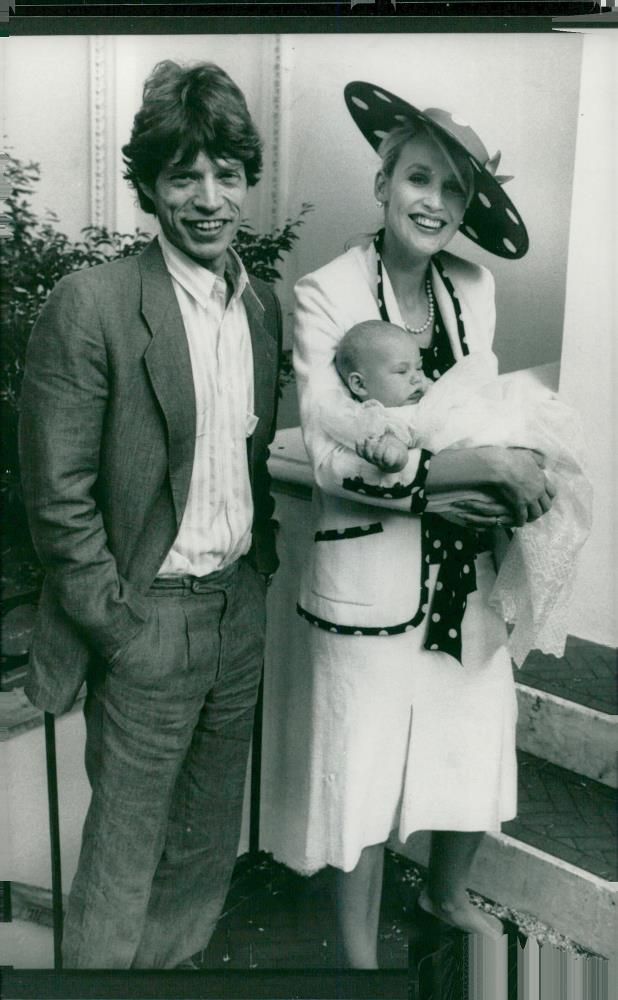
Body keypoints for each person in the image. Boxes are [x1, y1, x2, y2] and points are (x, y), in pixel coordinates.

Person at [283, 81, 556, 967]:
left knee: (473, 731)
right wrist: (467, 475)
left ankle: (443, 896)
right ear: (384, 181)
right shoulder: (325, 293)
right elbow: (332, 459)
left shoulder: (473, 288)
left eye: (453, 189)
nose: (434, 202)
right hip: (366, 572)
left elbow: (485, 412)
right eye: (418, 179)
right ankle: (358, 960)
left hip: (460, 566)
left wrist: (520, 469)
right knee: (359, 764)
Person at [19, 60, 281, 969]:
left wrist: (254, 580)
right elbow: (57, 498)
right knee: (123, 864)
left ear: (248, 179)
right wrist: (119, 627)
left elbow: (248, 453)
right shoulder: (89, 306)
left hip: (236, 614)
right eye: (183, 176)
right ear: (150, 186)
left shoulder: (259, 306)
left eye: (227, 174)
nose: (208, 199)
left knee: (204, 853)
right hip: (147, 622)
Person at [326, 320, 592, 668]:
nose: (416, 379)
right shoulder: (381, 414)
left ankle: (534, 452)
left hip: (474, 444)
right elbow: (392, 447)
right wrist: (390, 454)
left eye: (418, 368)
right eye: (402, 371)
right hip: (444, 499)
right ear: (359, 385)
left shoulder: (422, 398)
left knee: (529, 432)